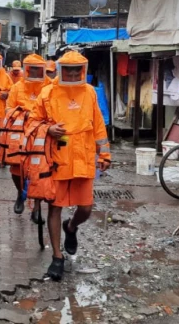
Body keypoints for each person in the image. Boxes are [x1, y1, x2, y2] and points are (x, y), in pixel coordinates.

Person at [31, 51, 111, 281]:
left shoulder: (90, 92)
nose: (74, 75)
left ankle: (71, 227)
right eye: (69, 71)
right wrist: (48, 129)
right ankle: (57, 257)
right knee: (54, 208)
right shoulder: (47, 92)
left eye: (77, 71)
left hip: (83, 157)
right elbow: (32, 122)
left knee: (85, 208)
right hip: (56, 158)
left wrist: (104, 154)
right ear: (61, 70)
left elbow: (98, 126)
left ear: (83, 71)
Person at [6, 54, 49, 214]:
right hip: (20, 134)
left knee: (39, 168)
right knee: (16, 169)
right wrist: (24, 114)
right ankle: (20, 193)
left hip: (42, 135)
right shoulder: (17, 87)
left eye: (38, 69)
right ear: (27, 69)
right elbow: (8, 109)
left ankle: (37, 206)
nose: (35, 72)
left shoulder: (50, 86)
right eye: (32, 69)